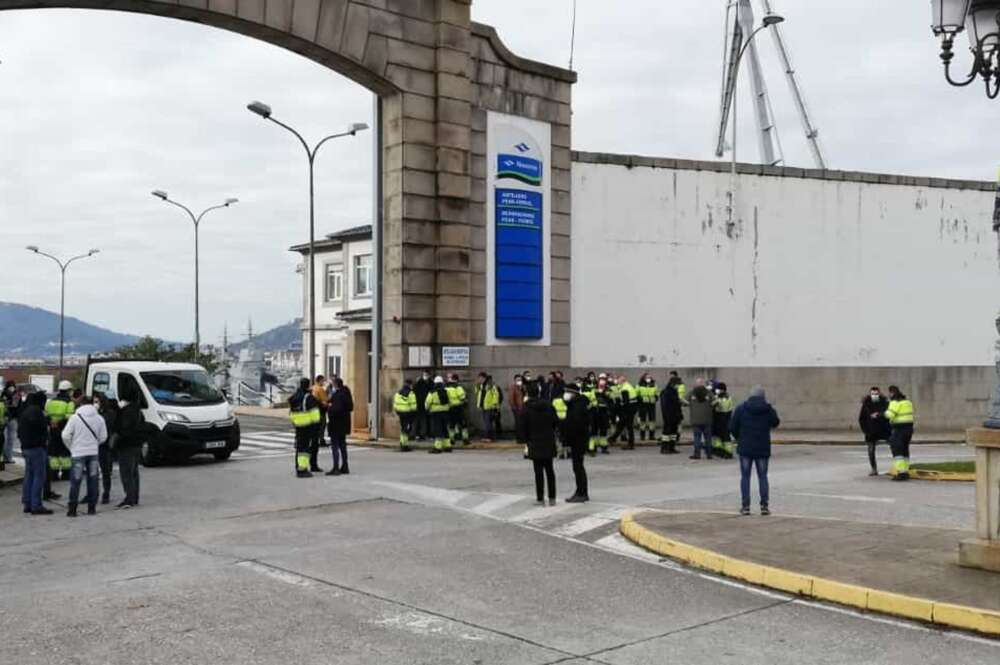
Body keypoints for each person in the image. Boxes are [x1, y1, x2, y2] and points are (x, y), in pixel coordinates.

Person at [731, 385, 780, 515]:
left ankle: (745, 506)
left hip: (745, 447)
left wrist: (739, 438)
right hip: (762, 447)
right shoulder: (768, 409)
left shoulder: (741, 408)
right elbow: (776, 423)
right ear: (763, 396)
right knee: (763, 476)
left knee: (745, 476)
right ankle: (764, 506)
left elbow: (732, 426)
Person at [62, 395, 108, 517]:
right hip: (93, 453)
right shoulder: (99, 418)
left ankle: (72, 509)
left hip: (77, 453)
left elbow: (65, 435)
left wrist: (71, 447)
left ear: (80, 404)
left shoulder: (75, 418)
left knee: (75, 482)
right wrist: (94, 444)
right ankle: (91, 508)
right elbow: (103, 437)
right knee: (93, 480)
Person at [519, 381, 558, 506]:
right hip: (548, 439)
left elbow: (522, 426)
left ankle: (540, 498)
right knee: (550, 470)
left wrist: (525, 440)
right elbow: (555, 421)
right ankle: (552, 498)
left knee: (538, 471)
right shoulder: (548, 405)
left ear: (528, 393)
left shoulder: (526, 407)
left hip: (534, 441)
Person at [18, 391, 52, 515]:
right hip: (37, 448)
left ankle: (27, 503)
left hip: (26, 447)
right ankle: (36, 505)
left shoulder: (24, 412)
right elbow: (43, 430)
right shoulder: (38, 413)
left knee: (29, 476)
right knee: (39, 476)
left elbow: (19, 431)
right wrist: (44, 440)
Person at [116, 383, 148, 506]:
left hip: (126, 445)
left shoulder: (125, 411)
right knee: (134, 472)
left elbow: (123, 429)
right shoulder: (138, 410)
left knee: (126, 473)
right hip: (137, 444)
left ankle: (129, 498)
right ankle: (135, 497)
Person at [562, 382, 591, 502]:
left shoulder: (577, 406)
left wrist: (568, 439)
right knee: (577, 467)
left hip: (578, 440)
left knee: (578, 467)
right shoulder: (575, 404)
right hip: (578, 439)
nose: (565, 395)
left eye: (567, 392)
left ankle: (582, 493)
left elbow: (575, 425)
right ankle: (580, 491)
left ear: (573, 393)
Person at [45, 380, 76, 484]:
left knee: (53, 452)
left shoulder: (51, 401)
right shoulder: (69, 402)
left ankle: (53, 474)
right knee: (65, 452)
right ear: (68, 391)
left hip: (53, 430)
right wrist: (60, 422)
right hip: (64, 430)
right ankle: (65, 474)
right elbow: (70, 417)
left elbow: (47, 414)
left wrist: (52, 423)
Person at [289, 378, 319, 478]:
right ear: (308, 385)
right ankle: (302, 469)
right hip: (307, 426)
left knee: (299, 448)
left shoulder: (296, 396)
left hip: (298, 425)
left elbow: (291, 411)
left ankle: (298, 467)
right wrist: (316, 425)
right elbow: (315, 414)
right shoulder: (308, 397)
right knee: (305, 450)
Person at [859, 386, 892, 476]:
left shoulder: (884, 402)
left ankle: (896, 467)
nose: (874, 396)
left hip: (884, 429)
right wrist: (865, 430)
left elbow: (888, 414)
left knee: (894, 447)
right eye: (873, 394)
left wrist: (879, 415)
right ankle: (874, 469)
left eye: (876, 394)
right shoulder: (866, 404)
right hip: (871, 431)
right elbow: (862, 419)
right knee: (871, 450)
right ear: (870, 394)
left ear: (879, 393)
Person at [93, 392, 119, 504]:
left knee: (105, 471)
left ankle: (106, 493)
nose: (95, 404)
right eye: (94, 402)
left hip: (105, 445)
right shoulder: (93, 413)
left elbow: (109, 427)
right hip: (93, 445)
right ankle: (93, 493)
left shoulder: (109, 414)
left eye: (97, 402)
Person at [885, 385, 915, 482]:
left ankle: (901, 473)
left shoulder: (894, 402)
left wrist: (882, 413)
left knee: (897, 451)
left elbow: (889, 415)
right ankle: (905, 471)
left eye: (889, 393)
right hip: (909, 429)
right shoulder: (908, 402)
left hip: (899, 429)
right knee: (905, 450)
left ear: (892, 393)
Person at [326, 378, 354, 475]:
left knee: (335, 446)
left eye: (333, 384)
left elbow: (335, 409)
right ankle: (345, 466)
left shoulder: (338, 395)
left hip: (336, 424)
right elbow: (350, 407)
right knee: (342, 445)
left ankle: (336, 468)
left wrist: (329, 408)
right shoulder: (346, 393)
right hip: (345, 423)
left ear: (336, 385)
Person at [687, 379, 716, 460]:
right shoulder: (708, 392)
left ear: (696, 384)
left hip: (695, 420)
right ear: (703, 385)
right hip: (707, 419)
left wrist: (691, 404)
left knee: (697, 438)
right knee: (708, 438)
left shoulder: (692, 392)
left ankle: (697, 454)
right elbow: (715, 402)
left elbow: (684, 401)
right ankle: (709, 455)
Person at [426, 376, 452, 454]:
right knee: (445, 429)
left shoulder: (432, 392)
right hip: (445, 412)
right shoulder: (446, 391)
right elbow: (450, 401)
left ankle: (437, 447)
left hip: (436, 413)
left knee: (438, 430)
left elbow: (427, 403)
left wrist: (428, 409)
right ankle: (448, 446)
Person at [310, 375, 330, 471]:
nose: (324, 382)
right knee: (322, 426)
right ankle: (321, 440)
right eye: (323, 380)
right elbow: (325, 401)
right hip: (320, 411)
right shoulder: (320, 389)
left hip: (312, 413)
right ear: (319, 380)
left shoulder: (312, 388)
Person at [659, 376, 683, 455]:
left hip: (675, 416)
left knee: (673, 433)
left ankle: (672, 447)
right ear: (673, 384)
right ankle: (664, 448)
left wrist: (679, 415)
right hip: (669, 416)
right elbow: (666, 406)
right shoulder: (666, 392)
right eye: (677, 384)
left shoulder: (673, 391)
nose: (678, 386)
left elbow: (677, 405)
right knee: (667, 433)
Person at [711, 383, 735, 459]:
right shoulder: (726, 397)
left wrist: (716, 401)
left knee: (725, 437)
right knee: (718, 436)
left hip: (722, 418)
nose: (717, 390)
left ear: (722, 390)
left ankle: (727, 452)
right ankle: (719, 450)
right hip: (723, 418)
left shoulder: (724, 398)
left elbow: (722, 407)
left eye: (718, 389)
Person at [475, 373, 502, 443]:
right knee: (487, 423)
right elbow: (477, 393)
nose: (479, 379)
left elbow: (496, 395)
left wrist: (494, 404)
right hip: (484, 406)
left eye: (480, 378)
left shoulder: (490, 385)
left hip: (489, 407)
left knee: (488, 423)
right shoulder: (481, 386)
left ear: (483, 378)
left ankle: (489, 437)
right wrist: (477, 386)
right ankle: (489, 437)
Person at [393, 379, 418, 452]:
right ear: (410, 385)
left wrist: (397, 411)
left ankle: (402, 443)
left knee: (403, 428)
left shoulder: (398, 393)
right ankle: (404, 445)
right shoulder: (411, 393)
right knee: (406, 429)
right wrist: (414, 412)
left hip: (401, 413)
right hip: (408, 414)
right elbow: (413, 406)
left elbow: (395, 404)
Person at [446, 374, 469, 446]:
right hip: (459, 408)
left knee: (451, 425)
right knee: (463, 425)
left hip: (450, 409)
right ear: (457, 380)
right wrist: (465, 402)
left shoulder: (446, 388)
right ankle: (465, 439)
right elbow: (463, 398)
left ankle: (452, 440)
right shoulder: (459, 388)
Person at [2, 381, 21, 467]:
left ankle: (5, 457)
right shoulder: (16, 394)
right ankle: (8, 458)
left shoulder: (3, 394)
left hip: (5, 418)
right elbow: (15, 405)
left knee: (5, 439)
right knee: (10, 439)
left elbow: (5, 405)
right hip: (12, 418)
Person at [636, 375, 658, 442]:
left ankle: (651, 436)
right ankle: (642, 436)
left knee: (652, 420)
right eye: (647, 377)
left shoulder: (654, 385)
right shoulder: (639, 385)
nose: (648, 379)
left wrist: (656, 398)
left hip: (651, 404)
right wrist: (641, 399)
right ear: (643, 378)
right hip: (642, 405)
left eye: (649, 377)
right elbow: (636, 394)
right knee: (642, 420)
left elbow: (656, 393)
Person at [414, 371, 433, 441]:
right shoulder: (419, 382)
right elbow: (414, 391)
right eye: (425, 375)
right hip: (420, 404)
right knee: (420, 420)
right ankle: (419, 435)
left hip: (428, 404)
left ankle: (428, 434)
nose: (426, 376)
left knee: (428, 420)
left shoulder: (431, 383)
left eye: (427, 375)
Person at [509, 374, 526, 440]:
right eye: (518, 380)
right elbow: (511, 399)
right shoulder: (513, 387)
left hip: (524, 408)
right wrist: (514, 408)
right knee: (518, 423)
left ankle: (523, 437)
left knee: (523, 423)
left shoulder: (523, 387)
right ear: (515, 380)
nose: (519, 381)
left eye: (520, 380)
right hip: (517, 409)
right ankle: (519, 438)